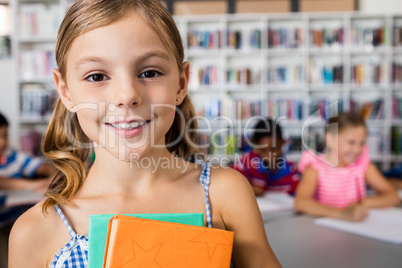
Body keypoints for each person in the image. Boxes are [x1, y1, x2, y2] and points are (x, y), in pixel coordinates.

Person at [8, 1, 281, 267]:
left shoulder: (224, 194)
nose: (127, 95)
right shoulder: (34, 231)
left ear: (181, 83)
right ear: (66, 92)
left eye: (150, 72)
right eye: (97, 76)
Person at [295, 112, 399, 222]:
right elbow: (301, 202)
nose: (357, 150)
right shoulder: (315, 167)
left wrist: (362, 202)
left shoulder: (362, 165)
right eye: (351, 142)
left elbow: (393, 196)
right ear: (330, 139)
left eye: (361, 143)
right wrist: (341, 213)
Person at [232, 117, 300, 196]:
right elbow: (228, 182)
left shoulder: (291, 171)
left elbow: (299, 197)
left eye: (274, 149)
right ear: (256, 147)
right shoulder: (247, 163)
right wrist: (252, 189)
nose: (269, 156)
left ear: (283, 143)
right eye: (263, 150)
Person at [0, 112, 55, 192]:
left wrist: (53, 176)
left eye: (5, 135)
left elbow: (43, 167)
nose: (2, 142)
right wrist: (32, 184)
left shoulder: (13, 156)